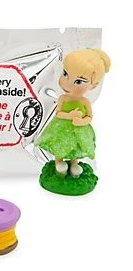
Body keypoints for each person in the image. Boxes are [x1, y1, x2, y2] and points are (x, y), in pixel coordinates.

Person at [36, 49, 110, 177]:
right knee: (59, 145)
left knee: (75, 147)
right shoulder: (63, 98)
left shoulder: (85, 101)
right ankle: (58, 162)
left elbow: (89, 117)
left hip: (78, 130)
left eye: (79, 82)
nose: (67, 84)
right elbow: (58, 113)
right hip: (61, 128)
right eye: (65, 74)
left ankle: (74, 163)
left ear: (93, 85)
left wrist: (82, 121)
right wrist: (69, 116)